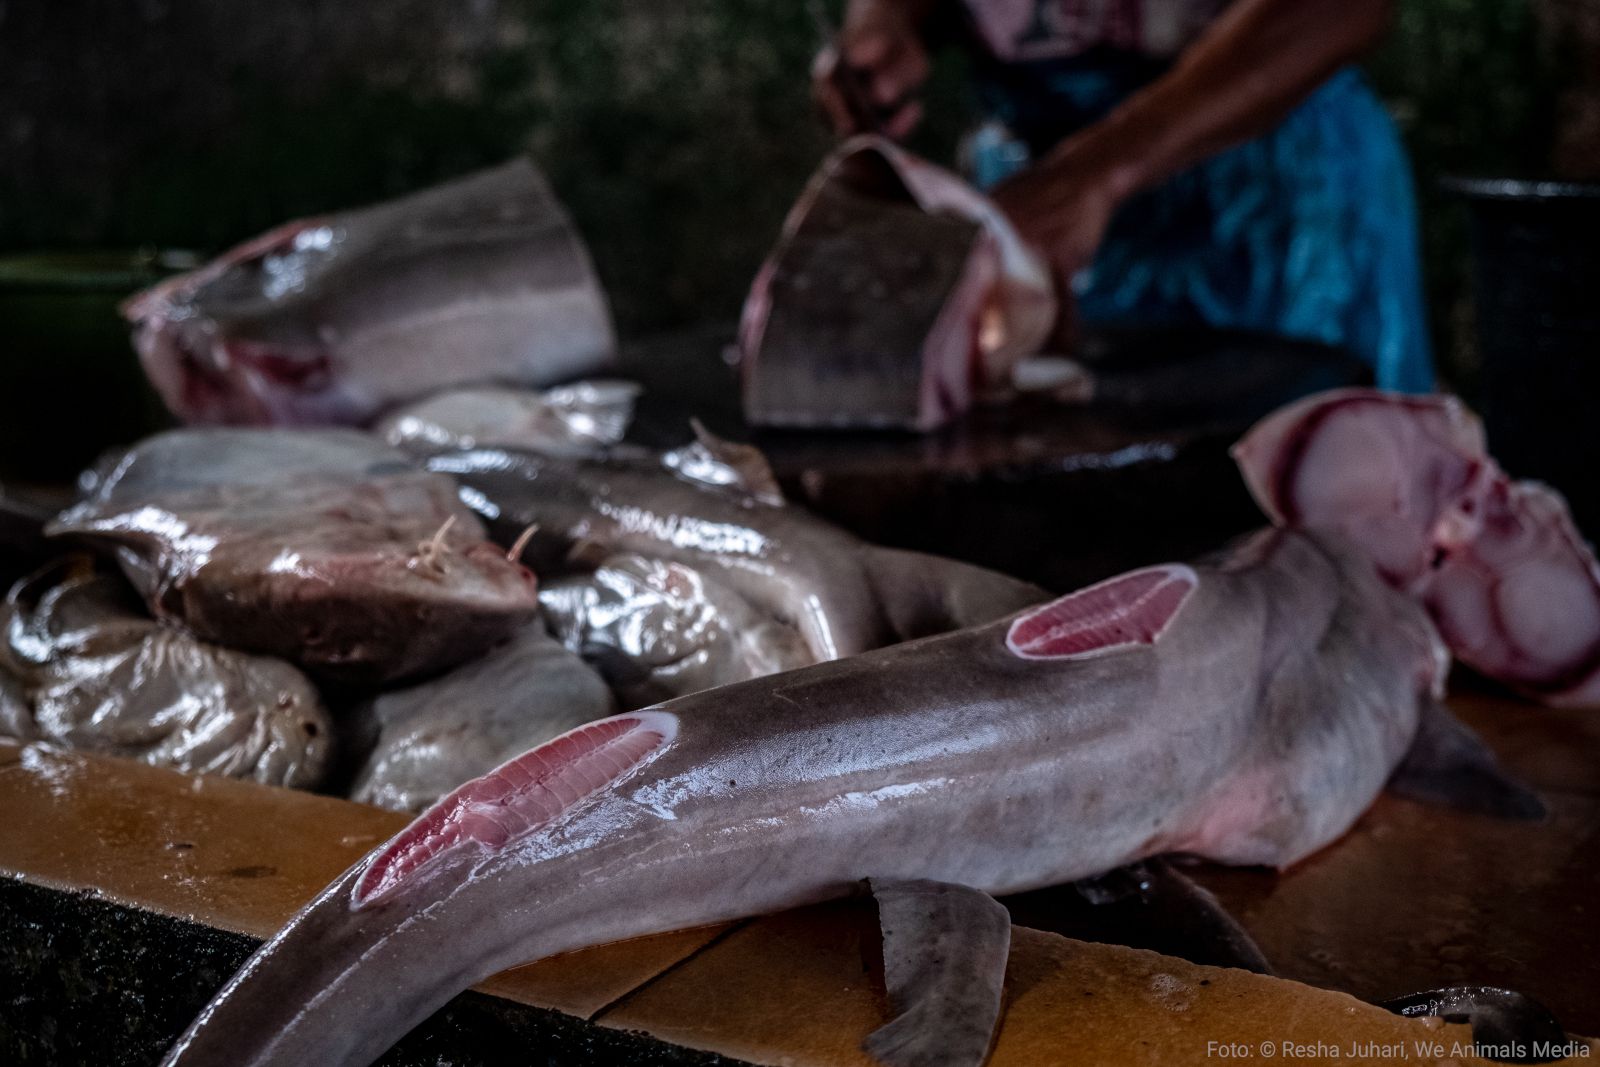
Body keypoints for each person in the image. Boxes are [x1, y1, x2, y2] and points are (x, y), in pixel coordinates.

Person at [813, 0, 1433, 392]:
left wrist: (1099, 171)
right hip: (1038, 192)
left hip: (1279, 199)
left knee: (1305, 520)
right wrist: (887, 20)